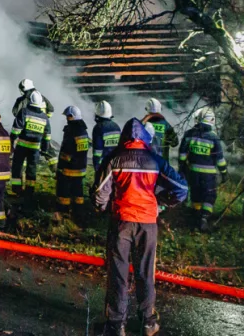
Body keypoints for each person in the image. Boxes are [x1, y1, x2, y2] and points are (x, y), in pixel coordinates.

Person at [95, 119, 188, 336]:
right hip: (147, 224)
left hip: (121, 223)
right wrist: (161, 202)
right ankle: (148, 322)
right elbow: (182, 189)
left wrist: (104, 207)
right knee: (146, 272)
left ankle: (117, 325)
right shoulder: (155, 160)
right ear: (145, 139)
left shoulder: (114, 158)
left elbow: (100, 193)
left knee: (118, 273)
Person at [178, 108, 227, 232]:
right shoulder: (214, 138)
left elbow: (182, 154)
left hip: (193, 173)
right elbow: (220, 159)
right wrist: (224, 173)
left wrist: (182, 167)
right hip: (209, 175)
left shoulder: (189, 134)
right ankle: (204, 219)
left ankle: (195, 219)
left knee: (196, 195)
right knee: (209, 196)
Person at [9, 90, 55, 195]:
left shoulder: (24, 112)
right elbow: (47, 135)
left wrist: (11, 140)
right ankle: (29, 191)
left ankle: (16, 189)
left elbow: (16, 129)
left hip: (21, 146)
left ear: (30, 101)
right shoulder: (44, 117)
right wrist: (44, 149)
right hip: (35, 148)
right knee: (31, 169)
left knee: (17, 167)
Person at [56, 105, 91, 217]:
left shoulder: (73, 130)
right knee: (78, 190)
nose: (66, 118)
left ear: (71, 116)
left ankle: (64, 211)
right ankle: (78, 211)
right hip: (80, 168)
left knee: (64, 190)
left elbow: (69, 150)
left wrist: (63, 162)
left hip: (69, 168)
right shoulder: (83, 130)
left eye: (67, 116)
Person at [140, 98, 179, 163]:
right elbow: (175, 143)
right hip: (162, 164)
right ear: (160, 109)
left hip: (145, 163)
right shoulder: (166, 125)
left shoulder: (141, 124)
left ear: (146, 109)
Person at [91, 101, 121, 176]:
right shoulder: (116, 127)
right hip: (116, 164)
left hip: (103, 165)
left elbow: (97, 151)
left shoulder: (98, 128)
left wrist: (96, 167)